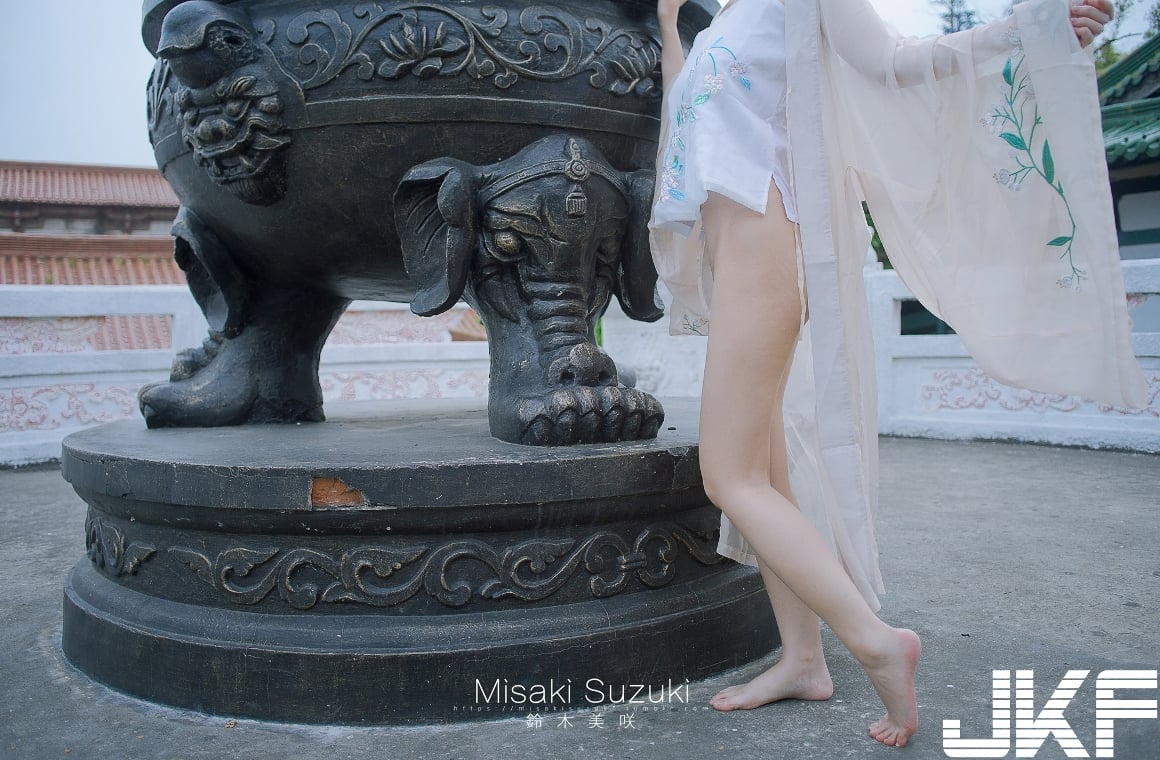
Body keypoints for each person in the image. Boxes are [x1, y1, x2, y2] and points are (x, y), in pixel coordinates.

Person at [651, 0, 1140, 748]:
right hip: (735, 259)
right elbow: (682, 122)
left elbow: (892, 60)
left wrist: (1029, 28)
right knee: (767, 474)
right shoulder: (723, 25)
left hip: (766, 246)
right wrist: (666, 24)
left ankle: (875, 641)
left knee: (729, 476)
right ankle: (803, 660)